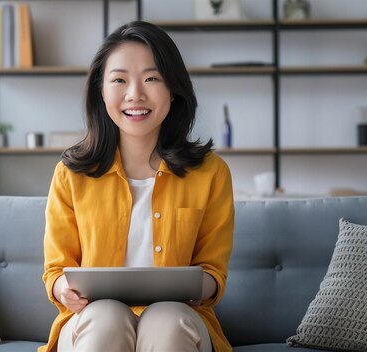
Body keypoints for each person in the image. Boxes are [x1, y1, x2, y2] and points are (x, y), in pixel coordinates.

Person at [40, 20, 234, 352]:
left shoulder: (211, 172)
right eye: (119, 80)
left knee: (168, 320)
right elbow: (56, 269)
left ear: (173, 88)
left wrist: (196, 286)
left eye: (151, 78)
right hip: (92, 320)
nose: (135, 95)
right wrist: (63, 290)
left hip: (180, 318)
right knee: (105, 317)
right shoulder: (70, 174)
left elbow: (214, 272)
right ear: (101, 90)